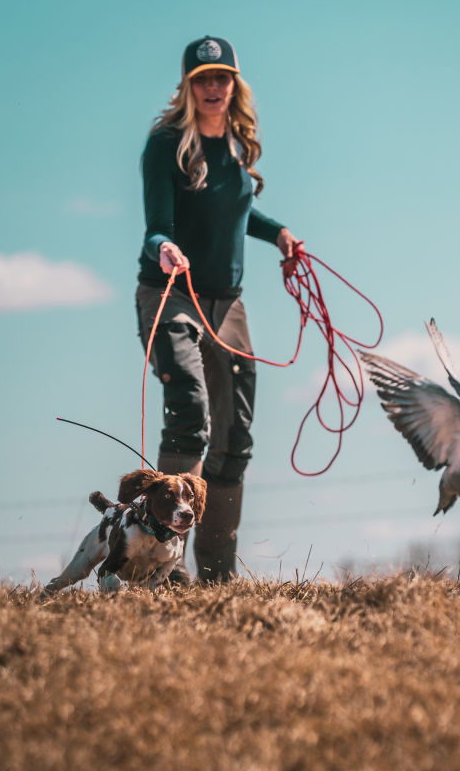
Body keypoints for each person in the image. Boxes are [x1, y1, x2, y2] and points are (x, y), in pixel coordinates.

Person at [136, 36, 301, 584]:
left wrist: (277, 233)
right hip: (171, 294)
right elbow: (158, 220)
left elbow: (236, 211)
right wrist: (163, 245)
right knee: (188, 410)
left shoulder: (234, 146)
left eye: (221, 78)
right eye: (202, 78)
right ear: (188, 87)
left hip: (227, 304)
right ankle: (165, 572)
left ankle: (217, 579)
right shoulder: (165, 145)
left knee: (235, 436)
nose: (213, 87)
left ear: (234, 85)